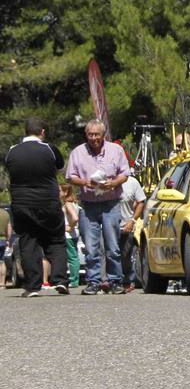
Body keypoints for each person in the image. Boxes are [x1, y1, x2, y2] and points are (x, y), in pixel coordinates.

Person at [3, 117, 70, 296]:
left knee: (28, 242)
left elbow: (9, 168)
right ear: (42, 132)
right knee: (56, 240)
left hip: (22, 204)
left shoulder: (12, 151)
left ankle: (33, 286)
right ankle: (60, 280)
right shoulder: (49, 149)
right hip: (48, 202)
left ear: (25, 132)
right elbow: (60, 165)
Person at [65, 119, 131, 294]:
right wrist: (85, 182)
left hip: (111, 203)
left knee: (112, 246)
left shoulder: (116, 151)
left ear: (103, 135)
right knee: (91, 247)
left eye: (97, 134)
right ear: (86, 135)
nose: (93, 138)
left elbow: (125, 173)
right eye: (90, 134)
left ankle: (115, 281)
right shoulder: (78, 152)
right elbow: (70, 176)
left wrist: (113, 183)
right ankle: (93, 281)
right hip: (88, 205)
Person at [117, 167, 147, 291]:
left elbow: (141, 201)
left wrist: (133, 221)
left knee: (125, 254)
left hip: (126, 225)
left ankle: (127, 280)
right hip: (107, 225)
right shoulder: (105, 179)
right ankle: (108, 280)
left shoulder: (132, 182)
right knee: (107, 254)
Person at [60, 183, 81, 286]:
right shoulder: (74, 204)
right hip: (74, 234)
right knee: (74, 256)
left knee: (72, 257)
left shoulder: (68, 204)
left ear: (66, 192)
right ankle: (74, 279)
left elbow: (75, 218)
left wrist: (70, 226)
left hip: (69, 234)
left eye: (59, 191)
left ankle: (73, 280)